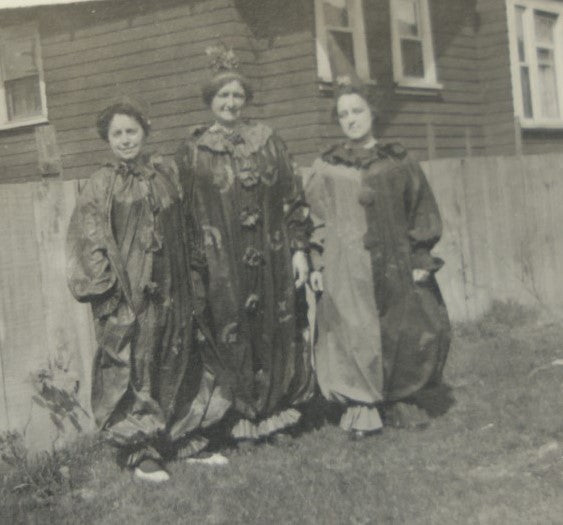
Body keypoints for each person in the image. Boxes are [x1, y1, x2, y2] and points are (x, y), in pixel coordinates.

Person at [66, 100, 231, 482]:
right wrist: (108, 293)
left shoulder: (164, 175)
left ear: (145, 131)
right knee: (134, 366)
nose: (125, 140)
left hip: (173, 289)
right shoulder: (101, 184)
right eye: (117, 134)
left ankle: (183, 438)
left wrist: (194, 275)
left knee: (178, 355)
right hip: (131, 294)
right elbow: (87, 239)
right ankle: (140, 449)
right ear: (107, 140)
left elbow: (187, 227)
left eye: (131, 131)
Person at [175, 45, 315, 443]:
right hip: (221, 263)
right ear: (210, 101)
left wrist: (299, 249)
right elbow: (182, 210)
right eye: (223, 95)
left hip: (270, 257)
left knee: (272, 330)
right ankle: (237, 417)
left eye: (237, 95)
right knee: (228, 332)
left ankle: (273, 414)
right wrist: (194, 263)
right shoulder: (193, 150)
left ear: (247, 99)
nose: (231, 103)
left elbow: (292, 198)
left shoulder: (268, 141)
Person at [304, 79, 451, 438]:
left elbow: (419, 208)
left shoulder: (398, 162)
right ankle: (360, 405)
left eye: (357, 111)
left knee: (401, 327)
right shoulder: (327, 166)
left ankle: (399, 397)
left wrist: (420, 255)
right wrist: (317, 262)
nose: (351, 120)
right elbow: (314, 217)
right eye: (343, 114)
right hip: (345, 265)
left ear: (373, 113)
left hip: (394, 261)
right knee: (351, 330)